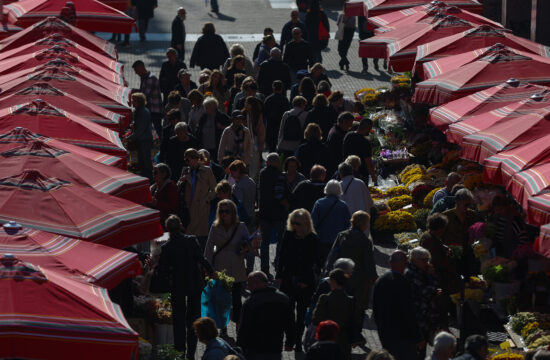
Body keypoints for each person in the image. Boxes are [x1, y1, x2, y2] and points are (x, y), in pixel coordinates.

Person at [157, 215, 214, 358]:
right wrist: (212, 272)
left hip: (178, 287)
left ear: (167, 229)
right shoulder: (191, 240)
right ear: (181, 226)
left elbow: (163, 271)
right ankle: (191, 354)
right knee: (194, 320)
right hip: (195, 284)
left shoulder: (167, 247)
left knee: (179, 322)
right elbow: (201, 259)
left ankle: (180, 353)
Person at [328, 210, 376, 342]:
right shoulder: (365, 242)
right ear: (364, 224)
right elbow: (369, 263)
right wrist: (373, 278)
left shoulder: (342, 235)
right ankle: (356, 335)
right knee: (358, 308)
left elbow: (333, 254)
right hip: (359, 281)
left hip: (340, 277)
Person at [276, 209, 320, 352]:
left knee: (301, 314)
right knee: (288, 312)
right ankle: (290, 339)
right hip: (288, 278)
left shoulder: (312, 238)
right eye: (293, 222)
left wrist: (307, 280)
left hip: (304, 280)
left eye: (298, 223)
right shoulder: (289, 235)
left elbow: (316, 262)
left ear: (305, 224)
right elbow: (281, 254)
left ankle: (298, 342)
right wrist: (279, 274)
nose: (294, 226)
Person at [204, 199, 250, 328]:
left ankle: (238, 325)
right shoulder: (215, 226)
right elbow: (208, 248)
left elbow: (249, 246)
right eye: (221, 211)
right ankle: (222, 326)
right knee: (222, 299)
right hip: (220, 268)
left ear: (233, 212)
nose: (224, 214)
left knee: (236, 300)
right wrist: (208, 268)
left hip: (237, 266)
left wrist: (246, 248)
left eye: (227, 211)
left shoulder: (241, 226)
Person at [373, 251, 423, 360]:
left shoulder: (380, 281)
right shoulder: (402, 282)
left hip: (386, 333)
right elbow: (408, 311)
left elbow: (375, 309)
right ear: (405, 264)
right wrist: (417, 337)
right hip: (404, 337)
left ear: (390, 263)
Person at [237, 271, 296, 360]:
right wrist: (290, 342)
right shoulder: (283, 298)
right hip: (275, 348)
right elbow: (290, 323)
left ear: (257, 284)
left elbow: (243, 329)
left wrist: (239, 350)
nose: (248, 287)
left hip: (254, 350)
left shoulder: (250, 302)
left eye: (249, 284)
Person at [420, 213, 460, 327]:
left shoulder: (428, 236)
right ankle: (442, 330)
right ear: (440, 228)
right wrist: (447, 256)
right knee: (441, 306)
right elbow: (438, 263)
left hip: (435, 278)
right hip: (437, 279)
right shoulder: (431, 241)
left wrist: (444, 248)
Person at [311, 269, 355, 359]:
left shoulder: (324, 299)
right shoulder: (351, 301)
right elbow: (355, 321)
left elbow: (316, 319)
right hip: (344, 341)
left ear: (333, 282)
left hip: (326, 340)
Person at [259, 153, 290, 275]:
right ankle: (278, 266)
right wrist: (287, 205)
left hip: (265, 213)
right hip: (279, 214)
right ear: (278, 163)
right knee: (280, 241)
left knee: (264, 242)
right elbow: (279, 194)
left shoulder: (262, 174)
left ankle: (264, 268)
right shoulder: (280, 175)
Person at [405, 247, 438, 359]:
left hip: (423, 315)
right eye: (424, 260)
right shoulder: (413, 273)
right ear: (415, 260)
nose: (427, 263)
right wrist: (432, 277)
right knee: (418, 348)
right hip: (418, 316)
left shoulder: (420, 271)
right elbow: (425, 292)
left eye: (428, 259)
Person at [178, 148, 217, 246]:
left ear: (195, 158)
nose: (187, 162)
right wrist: (182, 181)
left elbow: (215, 189)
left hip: (202, 209)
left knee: (201, 237)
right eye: (185, 160)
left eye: (188, 160)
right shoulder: (185, 171)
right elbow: (178, 188)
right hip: (189, 209)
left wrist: (206, 200)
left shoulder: (207, 170)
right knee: (189, 237)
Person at [311, 180, 350, 262]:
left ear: (326, 189)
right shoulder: (343, 205)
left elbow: (313, 222)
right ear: (339, 190)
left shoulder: (319, 203)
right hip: (338, 241)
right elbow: (348, 225)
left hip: (322, 239)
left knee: (322, 263)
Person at [442, 188, 479, 276]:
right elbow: (439, 235)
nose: (467, 207)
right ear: (457, 201)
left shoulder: (472, 215)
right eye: (466, 205)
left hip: (468, 254)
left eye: (469, 205)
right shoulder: (446, 216)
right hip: (452, 255)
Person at [132, 60, 163, 139]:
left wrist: (133, 92)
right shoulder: (144, 77)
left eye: (136, 70)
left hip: (155, 110)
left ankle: (161, 147)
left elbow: (144, 95)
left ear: (141, 67)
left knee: (157, 130)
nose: (136, 73)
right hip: (150, 109)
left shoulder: (150, 78)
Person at [342, 118, 377, 185]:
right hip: (360, 173)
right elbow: (368, 161)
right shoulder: (365, 142)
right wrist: (373, 176)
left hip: (346, 170)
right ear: (367, 128)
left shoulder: (348, 135)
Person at [128, 92, 153, 181]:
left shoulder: (142, 112)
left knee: (145, 161)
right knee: (142, 161)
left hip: (144, 140)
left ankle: (149, 179)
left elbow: (141, 129)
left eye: (133, 100)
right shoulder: (139, 111)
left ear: (139, 101)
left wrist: (130, 138)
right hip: (141, 140)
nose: (132, 102)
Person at [149, 163, 179, 228]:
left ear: (164, 174)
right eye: (153, 173)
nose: (153, 175)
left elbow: (173, 207)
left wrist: (157, 203)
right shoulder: (153, 187)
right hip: (155, 222)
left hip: (167, 224)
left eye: (156, 173)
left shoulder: (171, 187)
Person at [264, 80, 291, 152]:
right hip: (282, 126)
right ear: (282, 88)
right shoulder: (284, 100)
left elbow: (264, 114)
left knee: (272, 149)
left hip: (271, 127)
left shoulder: (268, 99)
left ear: (273, 88)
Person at [243, 96, 266, 180]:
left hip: (254, 144)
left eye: (247, 103)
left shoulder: (258, 116)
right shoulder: (243, 114)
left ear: (252, 105)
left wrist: (260, 145)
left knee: (254, 166)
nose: (245, 104)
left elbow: (261, 131)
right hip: (244, 144)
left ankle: (252, 183)